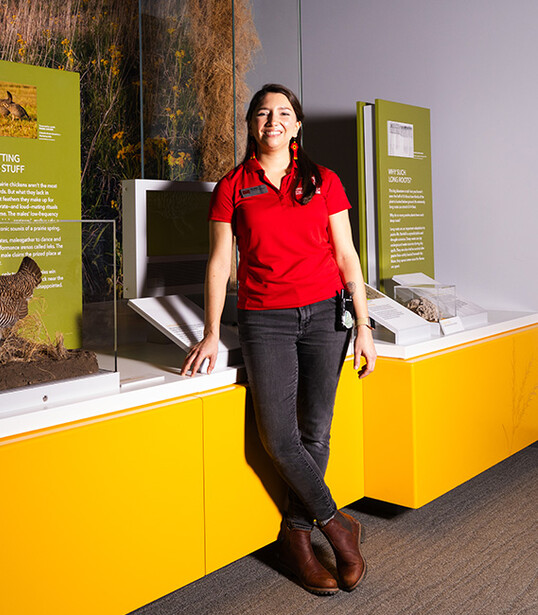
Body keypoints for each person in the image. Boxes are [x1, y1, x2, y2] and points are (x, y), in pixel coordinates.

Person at [181, 83, 376, 596]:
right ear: (250, 124)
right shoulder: (232, 187)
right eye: (264, 113)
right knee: (278, 439)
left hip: (326, 316)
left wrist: (365, 326)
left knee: (315, 432)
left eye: (284, 113)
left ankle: (295, 537)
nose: (274, 120)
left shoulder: (324, 181)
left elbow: (347, 255)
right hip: (265, 318)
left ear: (297, 125)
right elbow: (221, 262)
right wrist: (207, 333)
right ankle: (338, 527)